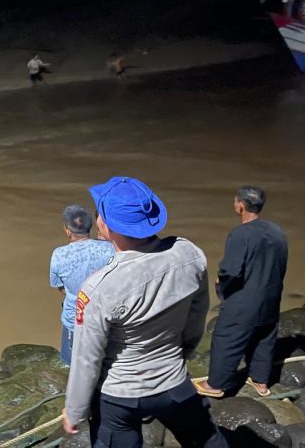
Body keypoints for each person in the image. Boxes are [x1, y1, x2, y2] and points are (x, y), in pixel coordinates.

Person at [63, 177, 227, 447]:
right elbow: (197, 316)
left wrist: (75, 410)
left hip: (120, 394)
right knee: (207, 439)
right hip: (173, 380)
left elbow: (87, 358)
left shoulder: (98, 287)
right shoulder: (189, 254)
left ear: (106, 225)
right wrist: (181, 353)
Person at [193, 186, 288, 399]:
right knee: (264, 337)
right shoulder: (277, 231)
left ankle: (215, 384)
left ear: (241, 206)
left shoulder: (240, 234)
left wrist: (220, 282)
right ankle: (260, 382)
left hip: (246, 301)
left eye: (236, 201)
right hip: (271, 298)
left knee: (226, 337)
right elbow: (281, 264)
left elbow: (230, 270)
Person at [49, 205, 114, 365]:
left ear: (67, 230)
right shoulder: (109, 249)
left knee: (71, 360)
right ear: (91, 227)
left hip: (75, 316)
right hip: (103, 314)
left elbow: (59, 287)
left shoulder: (59, 254)